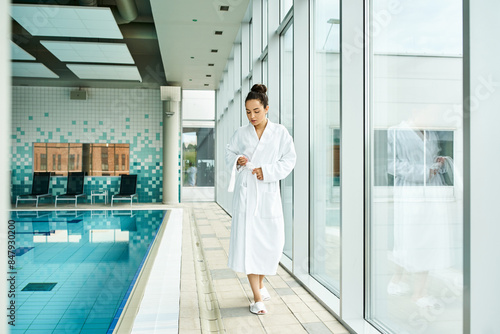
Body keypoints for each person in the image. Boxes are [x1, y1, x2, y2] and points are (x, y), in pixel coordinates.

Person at [225, 84, 296, 315]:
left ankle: (261, 283)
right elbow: (229, 152)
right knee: (249, 245)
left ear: (266, 108)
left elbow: (289, 160)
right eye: (248, 112)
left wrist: (267, 171)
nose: (252, 116)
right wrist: (238, 160)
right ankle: (257, 298)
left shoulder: (280, 133)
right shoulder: (241, 133)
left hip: (267, 194)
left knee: (271, 245)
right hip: (246, 194)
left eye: (256, 111)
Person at [387, 119, 454, 309]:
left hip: (431, 191)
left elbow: (428, 158)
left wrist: (436, 163)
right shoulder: (395, 131)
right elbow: (390, 164)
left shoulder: (431, 131)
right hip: (411, 191)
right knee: (414, 239)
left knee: (416, 239)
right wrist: (424, 171)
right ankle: (416, 294)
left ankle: (401, 283)